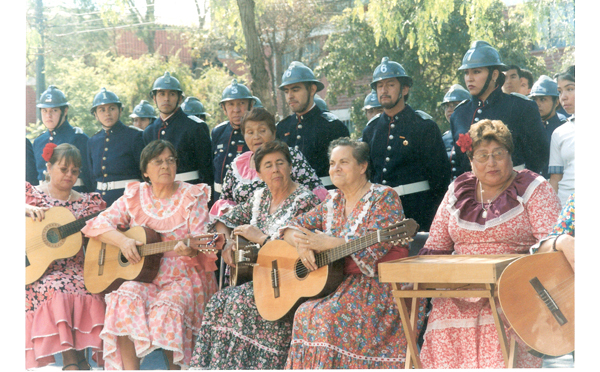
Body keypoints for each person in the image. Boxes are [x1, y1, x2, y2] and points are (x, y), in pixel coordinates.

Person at [417, 119, 562, 368]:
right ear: (471, 161)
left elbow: (551, 245)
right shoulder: (458, 189)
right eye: (482, 156)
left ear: (510, 155)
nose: (491, 162)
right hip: (457, 293)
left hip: (512, 293)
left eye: (498, 154)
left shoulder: (533, 188)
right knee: (442, 316)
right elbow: (437, 245)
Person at [280, 137, 426, 368]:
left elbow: (374, 249)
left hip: (377, 286)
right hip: (336, 283)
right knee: (304, 312)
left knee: (325, 316)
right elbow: (290, 226)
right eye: (332, 163)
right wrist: (301, 244)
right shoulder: (333, 200)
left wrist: (328, 243)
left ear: (362, 167)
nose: (335, 168)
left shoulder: (384, 197)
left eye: (343, 162)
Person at [81, 140, 221, 370]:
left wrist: (191, 249)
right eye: (158, 162)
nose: (165, 166)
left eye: (170, 160)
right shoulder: (136, 195)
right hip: (145, 276)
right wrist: (123, 241)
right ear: (146, 171)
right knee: (122, 298)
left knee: (168, 307)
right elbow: (98, 223)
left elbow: (208, 240)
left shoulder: (192, 196)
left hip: (183, 276)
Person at [189, 140, 320, 370]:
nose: (275, 169)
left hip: (286, 282)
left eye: (280, 163)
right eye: (268, 165)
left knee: (238, 302)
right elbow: (222, 221)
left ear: (290, 167)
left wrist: (260, 238)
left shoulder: (305, 200)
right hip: (258, 279)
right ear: (259, 173)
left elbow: (297, 249)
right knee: (218, 302)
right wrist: (229, 242)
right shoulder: (260, 197)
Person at [26, 143, 106, 370]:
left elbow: (106, 227)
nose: (69, 175)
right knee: (58, 291)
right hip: (42, 271)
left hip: (78, 269)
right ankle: (74, 363)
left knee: (88, 290)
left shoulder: (88, 203)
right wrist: (24, 207)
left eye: (74, 171)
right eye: (63, 169)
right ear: (49, 167)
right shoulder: (33, 195)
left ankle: (77, 364)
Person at [362, 57, 450, 231]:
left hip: (418, 212)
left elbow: (440, 180)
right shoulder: (371, 130)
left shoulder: (424, 126)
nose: (384, 90)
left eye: (390, 84)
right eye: (380, 86)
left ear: (405, 88)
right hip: (380, 216)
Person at [450, 41, 549, 178]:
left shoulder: (521, 107)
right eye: (466, 73)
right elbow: (458, 164)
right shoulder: (459, 114)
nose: (469, 78)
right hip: (472, 194)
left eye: (476, 72)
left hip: (514, 189)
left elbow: (539, 157)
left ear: (494, 75)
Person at [210, 109, 327, 216]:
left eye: (262, 130)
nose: (256, 137)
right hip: (243, 229)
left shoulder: (291, 156)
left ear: (273, 132)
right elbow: (225, 201)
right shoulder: (237, 164)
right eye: (250, 132)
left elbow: (314, 191)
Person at [276, 61, 349, 188]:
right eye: (287, 91)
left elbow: (345, 172)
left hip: (325, 198)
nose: (290, 96)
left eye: (295, 89)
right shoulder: (282, 127)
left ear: (312, 89)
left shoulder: (332, 126)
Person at [143, 72, 213, 188]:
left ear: (180, 98)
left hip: (190, 191)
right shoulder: (149, 131)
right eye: (161, 94)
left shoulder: (195, 127)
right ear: (154, 98)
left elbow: (206, 170)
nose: (166, 98)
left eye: (171, 94)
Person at [87, 88, 145, 206]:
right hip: (100, 202)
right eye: (102, 110)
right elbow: (91, 177)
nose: (107, 113)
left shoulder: (134, 136)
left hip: (129, 200)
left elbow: (144, 173)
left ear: (120, 110)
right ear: (95, 115)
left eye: (112, 109)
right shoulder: (93, 141)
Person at [33, 85, 93, 192]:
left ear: (65, 111)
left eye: (54, 110)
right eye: (44, 111)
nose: (48, 115)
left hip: (73, 197)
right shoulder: (38, 141)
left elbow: (90, 177)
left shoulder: (78, 138)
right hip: (43, 197)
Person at [211, 79, 255, 199]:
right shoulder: (218, 132)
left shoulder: (257, 132)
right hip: (219, 198)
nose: (236, 110)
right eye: (231, 104)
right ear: (224, 108)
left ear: (250, 106)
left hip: (247, 200)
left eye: (241, 103)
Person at [529, 75, 567, 179]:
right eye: (534, 99)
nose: (537, 104)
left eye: (542, 99)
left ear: (557, 102)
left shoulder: (564, 126)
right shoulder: (527, 126)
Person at [549, 66, 575, 206]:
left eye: (570, 89)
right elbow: (555, 178)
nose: (563, 97)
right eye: (560, 91)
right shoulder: (559, 133)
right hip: (567, 209)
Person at [440, 84, 471, 161]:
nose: (449, 110)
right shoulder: (444, 138)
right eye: (446, 106)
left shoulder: (476, 134)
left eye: (454, 105)